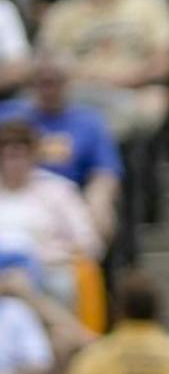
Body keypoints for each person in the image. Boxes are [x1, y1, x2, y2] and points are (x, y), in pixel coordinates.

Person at [38, 0, 169, 141]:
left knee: (150, 104)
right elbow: (47, 63)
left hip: (134, 93)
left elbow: (165, 62)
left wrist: (126, 79)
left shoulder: (149, 1)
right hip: (78, 94)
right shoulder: (63, 11)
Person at [0, 51, 124, 243]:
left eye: (54, 82)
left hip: (67, 198)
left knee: (99, 212)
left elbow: (106, 172)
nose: (47, 90)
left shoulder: (89, 121)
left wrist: (98, 200)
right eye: (40, 82)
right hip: (13, 191)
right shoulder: (10, 116)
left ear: (68, 83)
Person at [0, 117, 102, 301]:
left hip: (45, 268)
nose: (14, 163)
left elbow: (89, 242)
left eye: (21, 155)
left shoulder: (59, 190)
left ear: (33, 155)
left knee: (61, 285)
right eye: (9, 156)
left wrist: (50, 255)